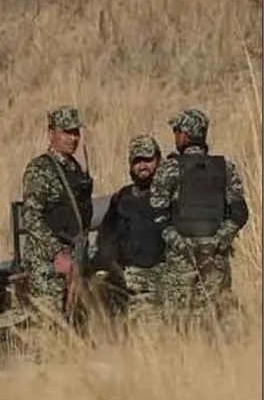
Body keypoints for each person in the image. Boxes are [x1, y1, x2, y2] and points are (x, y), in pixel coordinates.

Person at [149, 108, 248, 326]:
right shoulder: (225, 168)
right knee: (216, 323)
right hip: (215, 262)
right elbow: (239, 213)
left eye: (176, 131)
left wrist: (181, 245)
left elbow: (158, 214)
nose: (175, 136)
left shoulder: (169, 169)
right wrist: (216, 242)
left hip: (180, 263)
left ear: (184, 135)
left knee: (179, 324)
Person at [19, 106, 94, 329]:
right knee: (49, 327)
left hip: (74, 257)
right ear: (52, 133)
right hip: (48, 264)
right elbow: (31, 217)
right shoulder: (40, 169)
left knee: (77, 326)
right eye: (66, 132)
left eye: (76, 132)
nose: (73, 138)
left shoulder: (74, 168)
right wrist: (56, 252)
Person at [92, 134, 166, 323]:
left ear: (158, 161)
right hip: (126, 282)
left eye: (148, 160)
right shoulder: (121, 199)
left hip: (161, 282)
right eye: (137, 161)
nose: (143, 166)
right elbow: (106, 238)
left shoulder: (170, 195)